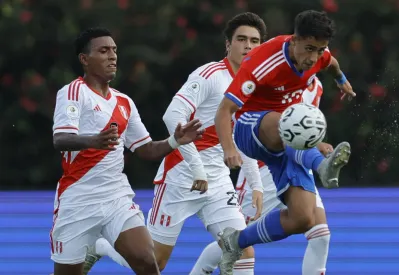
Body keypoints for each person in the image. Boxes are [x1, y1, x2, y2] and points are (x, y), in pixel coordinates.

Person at [81, 13, 268, 275]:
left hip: (218, 181)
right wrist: (197, 169)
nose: (248, 46)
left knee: (242, 251)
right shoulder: (210, 75)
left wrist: (256, 184)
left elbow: (243, 135)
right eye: (242, 39)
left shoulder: (254, 86)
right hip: (181, 177)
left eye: (255, 41)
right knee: (154, 263)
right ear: (228, 44)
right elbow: (172, 116)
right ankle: (100, 246)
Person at [50, 27, 204, 275]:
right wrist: (93, 141)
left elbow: (146, 150)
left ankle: (101, 247)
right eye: (103, 51)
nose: (112, 56)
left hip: (115, 196)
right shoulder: (73, 92)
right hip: (78, 198)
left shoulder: (124, 102)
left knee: (146, 260)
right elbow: (60, 139)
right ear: (84, 59)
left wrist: (174, 141)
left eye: (114, 50)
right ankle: (95, 248)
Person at [214, 10, 356, 274]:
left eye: (320, 49)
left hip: (289, 140)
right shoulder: (262, 61)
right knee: (292, 120)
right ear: (294, 40)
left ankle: (236, 241)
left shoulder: (319, 56)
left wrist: (341, 80)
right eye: (309, 48)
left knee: (304, 218)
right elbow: (223, 111)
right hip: (251, 129)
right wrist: (229, 149)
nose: (313, 57)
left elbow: (331, 62)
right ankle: (321, 166)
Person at [194, 76, 334, 275]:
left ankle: (321, 166)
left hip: (297, 165)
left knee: (320, 234)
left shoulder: (317, 86)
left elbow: (302, 133)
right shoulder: (277, 75)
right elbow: (257, 123)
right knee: (236, 241)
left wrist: (318, 144)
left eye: (321, 52)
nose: (314, 58)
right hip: (264, 169)